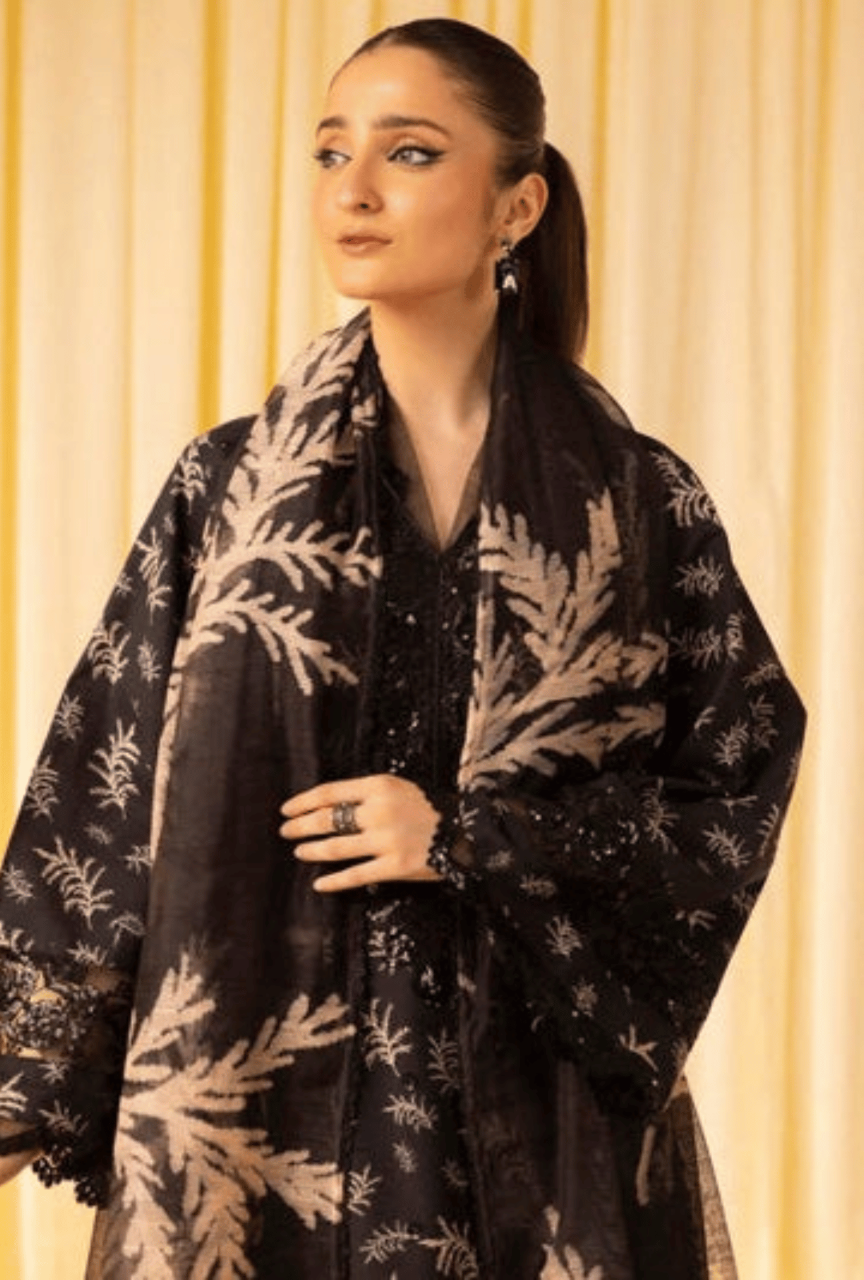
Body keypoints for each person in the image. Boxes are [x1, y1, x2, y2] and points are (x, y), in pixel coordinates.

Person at [0, 17, 804, 1280]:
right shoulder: (226, 490)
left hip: (541, 1123)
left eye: (411, 152)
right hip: (253, 1118)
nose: (353, 190)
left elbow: (733, 783)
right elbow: (103, 787)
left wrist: (474, 839)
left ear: (517, 204)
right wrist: (24, 1075)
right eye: (330, 153)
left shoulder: (639, 503)